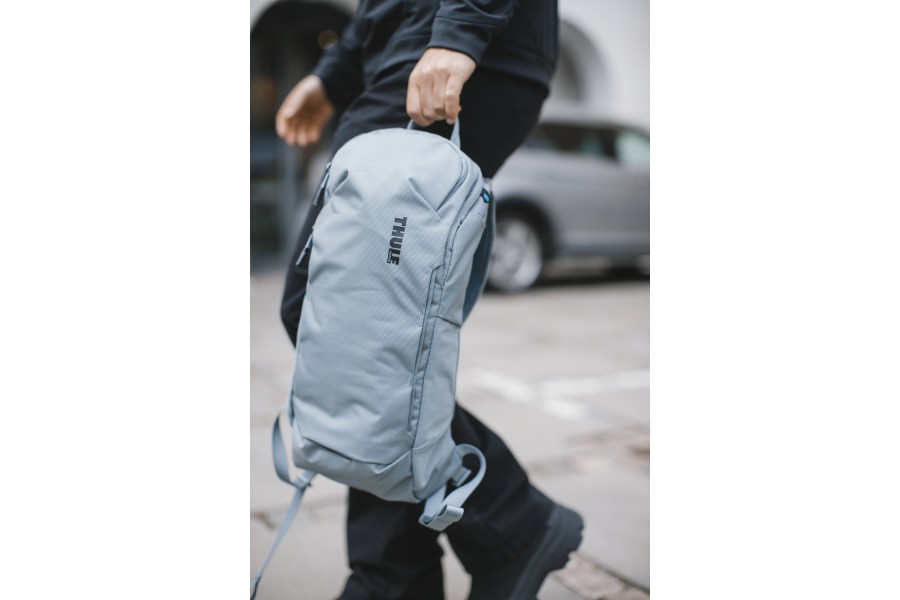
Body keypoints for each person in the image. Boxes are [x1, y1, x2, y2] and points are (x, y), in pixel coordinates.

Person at [275, 1, 583, 598]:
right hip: (408, 47)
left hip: (454, 47)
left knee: (338, 311)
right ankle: (411, 568)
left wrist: (461, 30)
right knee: (358, 320)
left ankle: (500, 524)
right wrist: (333, 73)